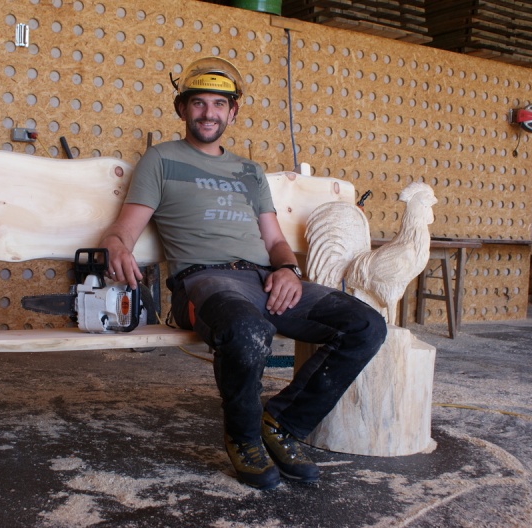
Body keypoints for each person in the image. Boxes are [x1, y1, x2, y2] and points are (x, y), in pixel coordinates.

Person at [100, 57, 387, 490]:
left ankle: (282, 424)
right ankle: (245, 437)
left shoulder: (250, 172)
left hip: (265, 278)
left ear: (232, 113)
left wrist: (288, 269)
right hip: (204, 281)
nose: (209, 113)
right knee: (247, 329)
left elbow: (274, 241)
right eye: (199, 103)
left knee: (366, 325)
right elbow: (124, 229)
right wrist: (115, 244)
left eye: (219, 104)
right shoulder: (160, 159)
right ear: (182, 109)